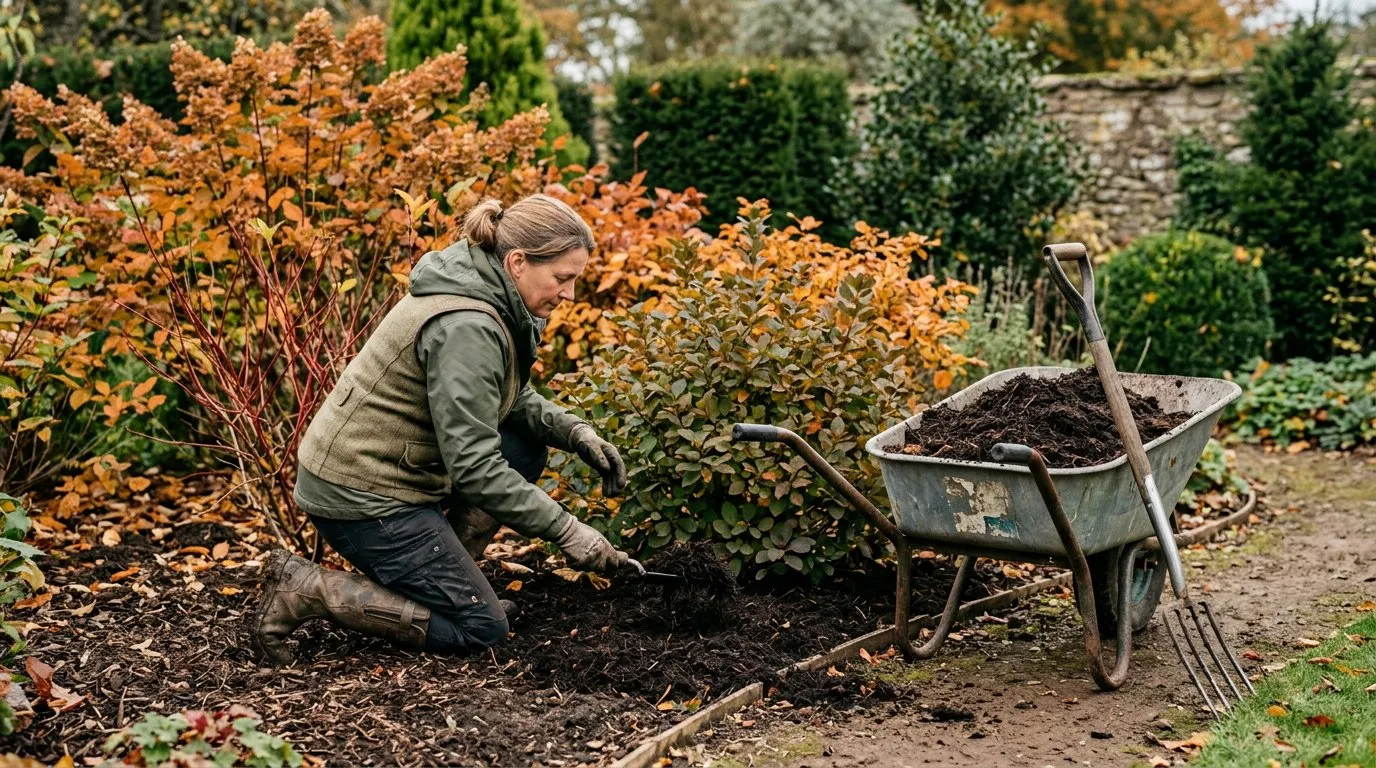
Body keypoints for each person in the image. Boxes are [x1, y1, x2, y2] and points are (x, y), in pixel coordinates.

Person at [252, 194, 629, 664]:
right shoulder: (467, 324)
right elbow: (474, 468)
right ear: (517, 262)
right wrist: (572, 532)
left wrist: (576, 433)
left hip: (387, 473)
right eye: (562, 278)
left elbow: (504, 396)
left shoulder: (485, 293)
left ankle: (448, 583)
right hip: (361, 494)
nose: (569, 294)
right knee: (480, 629)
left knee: (524, 447)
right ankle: (308, 590)